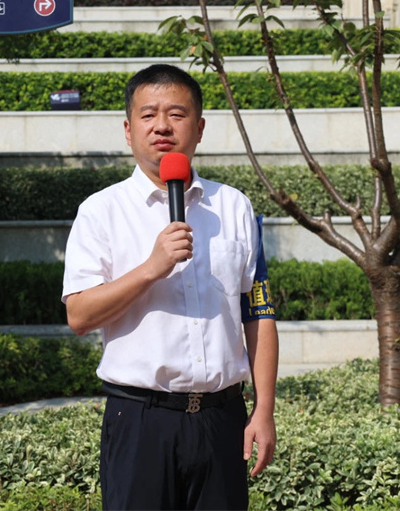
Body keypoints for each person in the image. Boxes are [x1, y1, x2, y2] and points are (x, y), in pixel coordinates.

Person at [62, 64, 278, 510]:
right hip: (140, 421)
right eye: (148, 115)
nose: (162, 126)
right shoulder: (101, 211)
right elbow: (79, 315)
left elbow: (258, 314)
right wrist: (151, 268)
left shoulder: (234, 206)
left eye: (177, 114)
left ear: (199, 128)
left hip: (222, 419)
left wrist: (264, 410)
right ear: (128, 130)